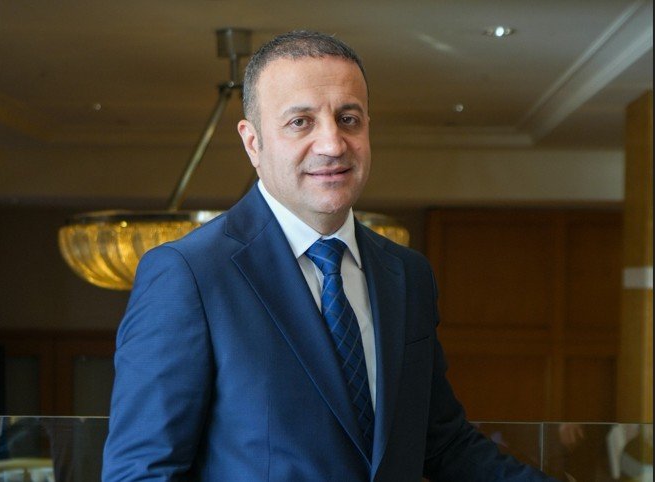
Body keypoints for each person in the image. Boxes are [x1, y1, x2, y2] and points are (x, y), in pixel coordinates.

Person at [102, 30, 560, 481]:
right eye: (300, 121)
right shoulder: (188, 275)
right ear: (253, 142)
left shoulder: (407, 274)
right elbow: (141, 473)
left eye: (348, 118)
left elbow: (442, 442)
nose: (332, 144)